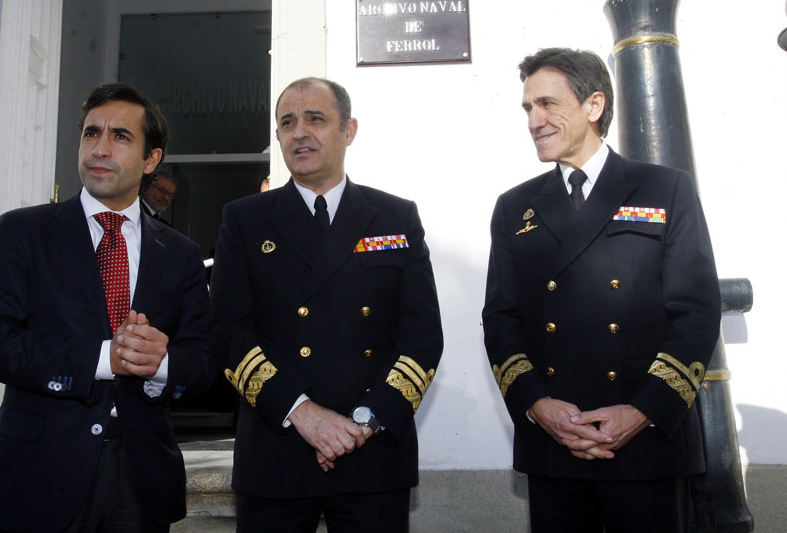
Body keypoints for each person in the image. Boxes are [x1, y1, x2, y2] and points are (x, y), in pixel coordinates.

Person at [482, 47, 720, 532]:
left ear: (594, 105)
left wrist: (642, 411)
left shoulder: (664, 188)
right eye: (528, 108)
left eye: (548, 104)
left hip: (646, 442)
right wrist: (538, 406)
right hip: (556, 441)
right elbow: (501, 320)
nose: (534, 120)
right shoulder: (515, 206)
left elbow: (696, 313)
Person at [0, 82, 217, 532]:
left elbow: (203, 361)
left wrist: (159, 363)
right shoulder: (22, 233)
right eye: (91, 133)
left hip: (141, 477)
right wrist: (104, 359)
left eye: (120, 136)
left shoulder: (180, 253)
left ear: (151, 159)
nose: (100, 148)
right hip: (37, 472)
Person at [211, 77, 443, 533]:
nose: (299, 132)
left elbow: (422, 336)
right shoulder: (245, 219)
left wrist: (364, 421)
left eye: (315, 119)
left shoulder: (395, 216)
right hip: (277, 447)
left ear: (348, 130)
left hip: (371, 449)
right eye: (287, 123)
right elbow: (228, 334)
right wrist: (304, 414)